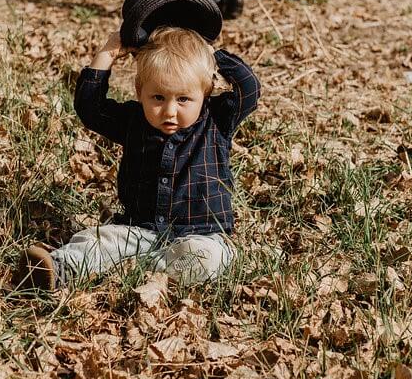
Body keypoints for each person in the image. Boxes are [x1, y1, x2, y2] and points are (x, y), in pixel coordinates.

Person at [16, 25, 260, 290]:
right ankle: (58, 269)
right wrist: (110, 51)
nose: (169, 110)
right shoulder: (133, 121)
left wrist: (210, 54)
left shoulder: (216, 121)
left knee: (208, 259)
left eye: (184, 99)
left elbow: (249, 89)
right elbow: (90, 107)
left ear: (206, 93)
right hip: (138, 230)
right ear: (139, 90)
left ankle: (133, 267)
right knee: (100, 241)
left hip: (200, 235)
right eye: (157, 97)